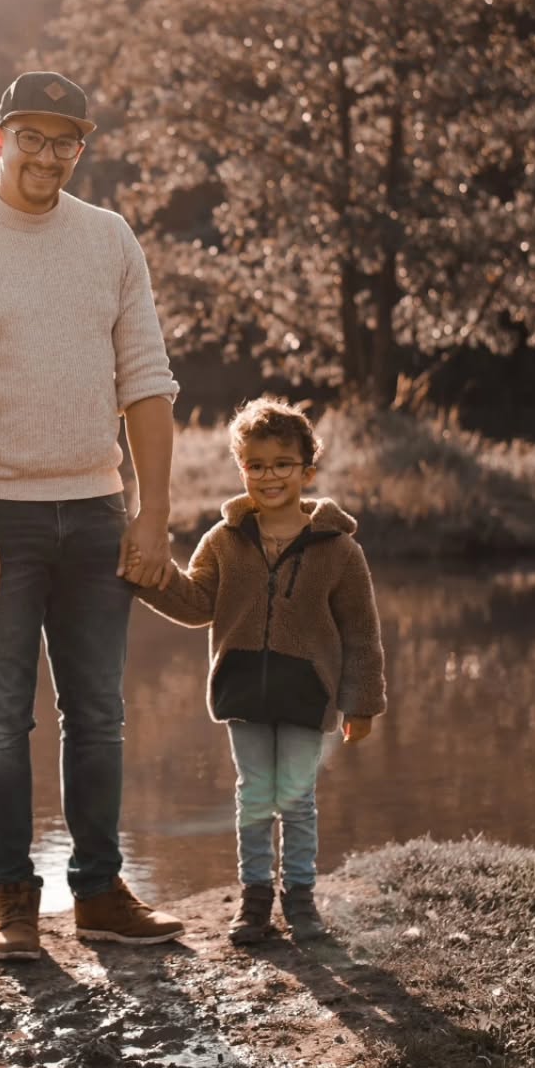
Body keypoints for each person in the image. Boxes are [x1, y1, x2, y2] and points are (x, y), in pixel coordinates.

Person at [0, 70, 185, 962]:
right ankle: (10, 902)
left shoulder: (108, 239)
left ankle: (99, 892)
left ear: (81, 150)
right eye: (31, 137)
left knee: (99, 714)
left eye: (66, 141)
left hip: (99, 509)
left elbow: (146, 379)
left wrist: (150, 515)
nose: (48, 156)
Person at [136, 395, 386, 944]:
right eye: (256, 464)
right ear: (241, 467)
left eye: (282, 464)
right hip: (242, 687)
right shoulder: (223, 541)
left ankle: (300, 899)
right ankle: (254, 900)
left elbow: (361, 634)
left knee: (296, 799)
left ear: (307, 469)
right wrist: (149, 578)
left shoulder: (340, 549)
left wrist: (361, 702)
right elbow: (197, 603)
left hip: (307, 690)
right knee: (253, 794)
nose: (268, 476)